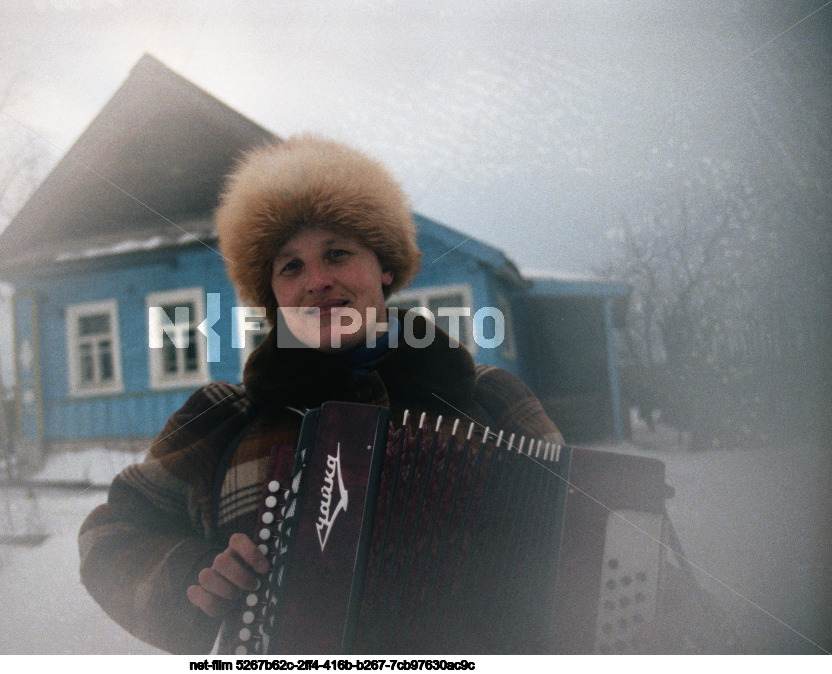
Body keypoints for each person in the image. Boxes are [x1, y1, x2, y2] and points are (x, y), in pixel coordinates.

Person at [81, 135, 732, 654]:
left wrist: (652, 611)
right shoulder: (222, 421)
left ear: (383, 269)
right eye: (290, 266)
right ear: (272, 293)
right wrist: (187, 575)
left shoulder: (490, 398)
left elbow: (603, 529)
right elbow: (109, 536)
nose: (317, 282)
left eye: (338, 254)